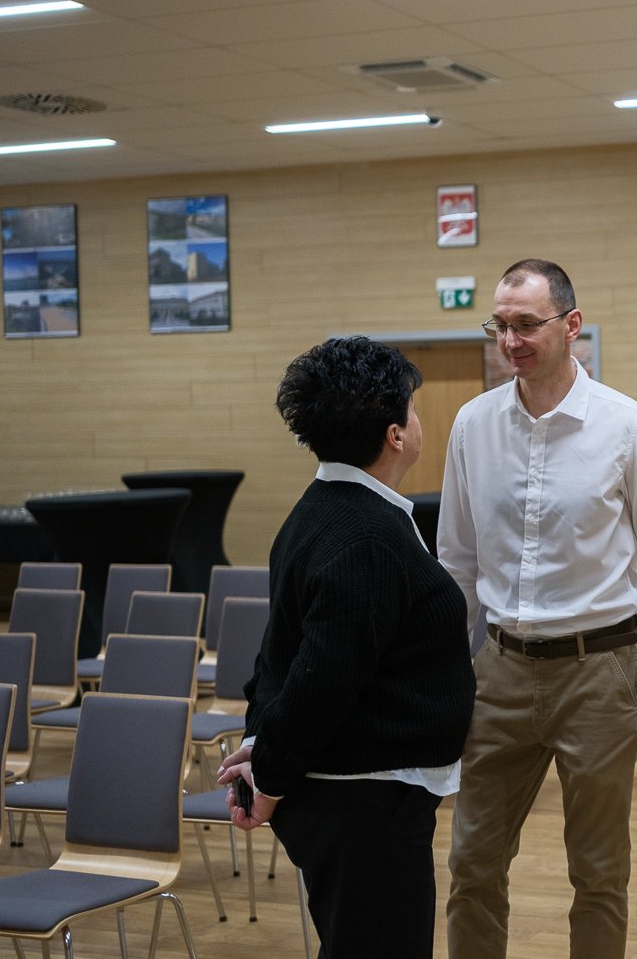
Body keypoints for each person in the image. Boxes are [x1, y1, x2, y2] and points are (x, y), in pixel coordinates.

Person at [440, 259, 637, 959]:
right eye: (500, 325)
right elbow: (457, 565)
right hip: (499, 670)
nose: (511, 340)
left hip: (600, 672)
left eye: (527, 324)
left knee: (598, 871)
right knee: (472, 864)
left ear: (572, 325)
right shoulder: (472, 425)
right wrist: (440, 673)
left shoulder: (628, 425)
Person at [219, 336, 475, 959]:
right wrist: (269, 775)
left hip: (360, 795)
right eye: (412, 408)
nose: (418, 421)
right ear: (395, 434)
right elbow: (320, 679)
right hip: (363, 800)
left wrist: (260, 744)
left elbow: (280, 656)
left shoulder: (324, 511)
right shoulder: (365, 534)